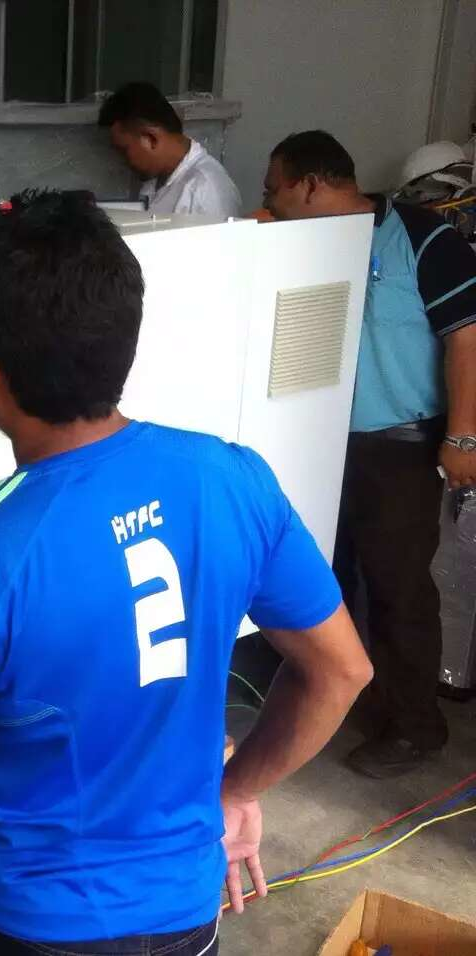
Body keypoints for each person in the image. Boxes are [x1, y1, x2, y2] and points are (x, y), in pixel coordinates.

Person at [0, 191, 372, 956]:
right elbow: (341, 670)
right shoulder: (232, 479)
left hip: (22, 927)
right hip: (185, 914)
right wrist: (233, 794)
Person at [263, 130, 476, 778]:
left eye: (275, 189)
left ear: (310, 185)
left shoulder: (420, 237)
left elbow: (467, 341)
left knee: (396, 586)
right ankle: (347, 697)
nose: (267, 199)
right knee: (331, 576)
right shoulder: (300, 243)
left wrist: (463, 436)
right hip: (319, 442)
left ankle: (416, 727)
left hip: (399, 447)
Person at [98, 81, 242, 218]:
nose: (123, 161)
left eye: (124, 150)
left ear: (151, 139)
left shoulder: (205, 191)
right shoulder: (155, 179)